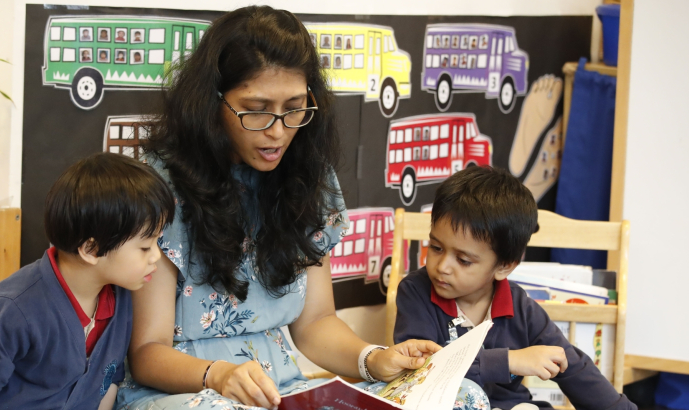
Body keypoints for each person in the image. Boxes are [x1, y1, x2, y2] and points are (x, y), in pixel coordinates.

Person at [115, 6, 487, 410]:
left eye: (294, 107)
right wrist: (219, 376)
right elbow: (147, 352)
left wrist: (374, 359)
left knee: (464, 397)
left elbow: (315, 324)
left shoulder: (310, 179)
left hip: (281, 389)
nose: (277, 131)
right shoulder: (161, 188)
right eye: (256, 110)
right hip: (187, 390)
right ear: (212, 103)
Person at [0, 153, 176, 410]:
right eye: (145, 247)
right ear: (91, 249)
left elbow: (107, 383)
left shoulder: (120, 298)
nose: (156, 257)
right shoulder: (14, 308)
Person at [392, 166, 637, 410]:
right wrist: (509, 361)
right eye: (436, 248)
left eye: (463, 260)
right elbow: (421, 370)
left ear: (504, 266)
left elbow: (570, 364)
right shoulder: (416, 292)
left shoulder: (521, 307)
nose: (443, 266)